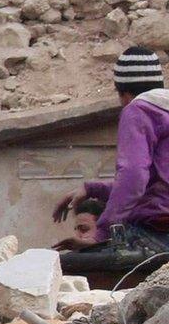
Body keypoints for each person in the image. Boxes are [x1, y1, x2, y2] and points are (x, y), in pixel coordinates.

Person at [52, 47, 169, 267]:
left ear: (122, 93)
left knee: (65, 268)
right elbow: (156, 185)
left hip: (158, 233)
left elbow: (134, 177)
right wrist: (92, 189)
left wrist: (101, 232)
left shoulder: (138, 110)